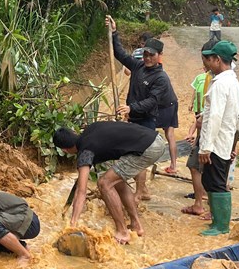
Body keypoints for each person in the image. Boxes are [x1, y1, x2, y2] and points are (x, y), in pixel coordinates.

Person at [53, 121, 165, 245]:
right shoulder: (91, 129)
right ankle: (136, 225)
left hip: (148, 148)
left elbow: (82, 191)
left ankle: (122, 232)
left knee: (104, 183)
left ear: (65, 150)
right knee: (116, 182)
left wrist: (72, 224)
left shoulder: (85, 152)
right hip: (155, 139)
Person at [105, 15, 179, 198]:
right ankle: (140, 189)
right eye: (145, 54)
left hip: (146, 120)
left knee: (139, 155)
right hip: (134, 118)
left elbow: (152, 101)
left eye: (151, 55)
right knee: (132, 153)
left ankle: (140, 191)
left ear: (159, 56)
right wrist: (114, 33)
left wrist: (131, 108)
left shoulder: (161, 78)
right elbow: (120, 53)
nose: (147, 58)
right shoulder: (138, 66)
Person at [198, 40, 239, 236]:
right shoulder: (234, 83)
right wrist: (235, 142)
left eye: (208, 59)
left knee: (215, 182)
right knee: (213, 180)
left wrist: (206, 147)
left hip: (215, 143)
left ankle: (221, 226)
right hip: (226, 140)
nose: (206, 64)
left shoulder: (220, 84)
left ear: (217, 60)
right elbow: (238, 116)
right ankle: (218, 221)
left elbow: (215, 116)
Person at [181, 41, 217, 220]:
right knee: (202, 167)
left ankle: (205, 206)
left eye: (205, 58)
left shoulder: (218, 79)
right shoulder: (214, 76)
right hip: (207, 128)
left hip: (211, 132)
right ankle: (204, 204)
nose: (203, 62)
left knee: (200, 167)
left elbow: (215, 112)